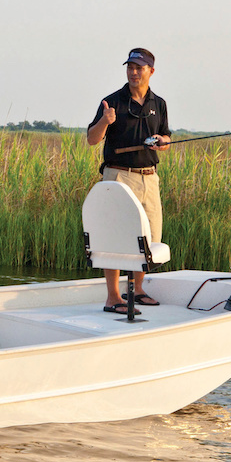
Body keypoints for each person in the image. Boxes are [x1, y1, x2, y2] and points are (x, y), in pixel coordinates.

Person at [86, 47, 172, 314]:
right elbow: (92, 139)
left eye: (139, 68)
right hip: (118, 175)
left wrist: (162, 142)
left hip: (149, 178)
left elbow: (166, 137)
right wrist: (105, 121)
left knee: (148, 237)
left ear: (151, 71)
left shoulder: (159, 103)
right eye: (130, 67)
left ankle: (138, 289)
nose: (133, 72)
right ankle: (113, 297)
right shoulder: (112, 101)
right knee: (113, 234)